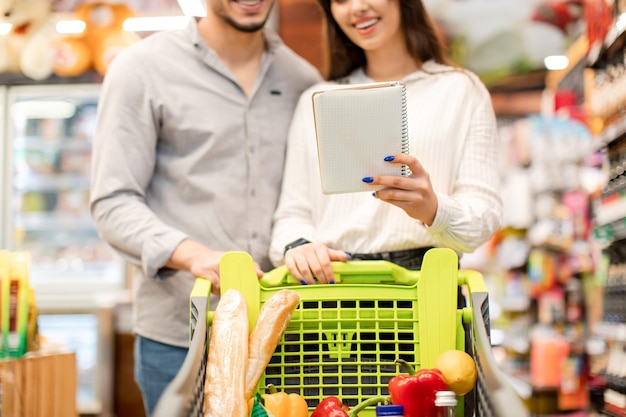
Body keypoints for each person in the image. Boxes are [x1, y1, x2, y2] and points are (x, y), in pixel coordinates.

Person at [89, 1, 321, 414]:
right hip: (179, 338)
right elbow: (113, 201)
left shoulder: (302, 80)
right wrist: (196, 256)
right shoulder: (141, 69)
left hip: (282, 338)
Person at [269, 0, 502, 284]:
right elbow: (292, 214)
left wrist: (433, 209)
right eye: (340, 0)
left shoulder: (461, 90)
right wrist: (298, 246)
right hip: (331, 286)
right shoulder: (316, 101)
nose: (356, 7)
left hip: (427, 286)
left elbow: (484, 218)